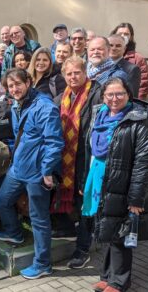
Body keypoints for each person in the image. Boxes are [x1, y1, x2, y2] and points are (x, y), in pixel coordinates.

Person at [85, 77, 148, 292]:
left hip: (124, 185)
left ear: (129, 95)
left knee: (121, 234)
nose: (114, 98)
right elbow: (90, 151)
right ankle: (107, 276)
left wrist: (136, 198)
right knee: (108, 230)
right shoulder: (100, 115)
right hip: (101, 180)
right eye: (110, 94)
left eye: (120, 94)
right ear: (104, 95)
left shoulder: (141, 121)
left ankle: (120, 282)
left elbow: (143, 163)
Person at [0, 68, 63, 280]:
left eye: (18, 84)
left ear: (29, 82)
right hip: (18, 168)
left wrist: (48, 171)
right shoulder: (17, 103)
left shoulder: (45, 107)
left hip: (37, 172)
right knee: (2, 200)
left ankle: (43, 264)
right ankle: (14, 233)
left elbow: (54, 142)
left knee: (39, 219)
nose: (14, 89)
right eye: (10, 85)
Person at [51, 57, 102, 266]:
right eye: (69, 73)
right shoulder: (60, 98)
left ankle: (82, 249)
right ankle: (68, 230)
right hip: (66, 159)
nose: (73, 77)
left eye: (77, 73)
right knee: (68, 199)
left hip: (87, 158)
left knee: (84, 204)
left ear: (85, 73)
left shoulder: (96, 94)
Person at [111, 22, 148, 99]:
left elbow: (143, 86)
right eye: (120, 33)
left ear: (131, 37)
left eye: (126, 34)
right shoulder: (106, 56)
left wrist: (135, 104)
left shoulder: (138, 59)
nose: (122, 36)